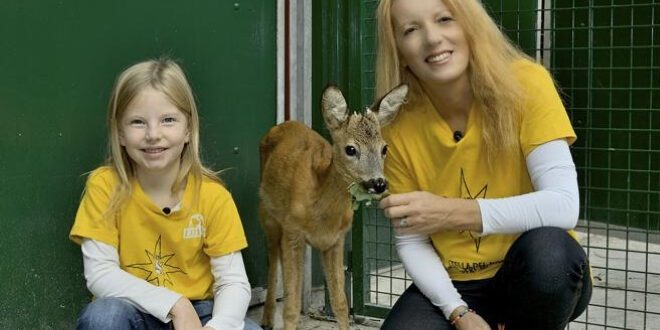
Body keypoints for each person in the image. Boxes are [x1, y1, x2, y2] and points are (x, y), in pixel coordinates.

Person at [374, 0, 592, 329]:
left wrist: (450, 212)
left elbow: (563, 205)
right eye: (411, 30)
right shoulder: (393, 127)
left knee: (550, 256)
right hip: (459, 283)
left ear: (470, 25)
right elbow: (412, 241)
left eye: (445, 19)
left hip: (531, 269)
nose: (432, 39)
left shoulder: (527, 83)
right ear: (399, 50)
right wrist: (457, 312)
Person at [69, 58, 261, 330]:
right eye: (137, 122)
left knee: (248, 328)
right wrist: (175, 304)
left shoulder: (213, 196)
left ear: (188, 129)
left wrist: (217, 327)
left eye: (168, 120)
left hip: (201, 314)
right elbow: (100, 274)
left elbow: (233, 282)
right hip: (134, 308)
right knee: (103, 317)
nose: (153, 134)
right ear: (119, 133)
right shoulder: (105, 187)